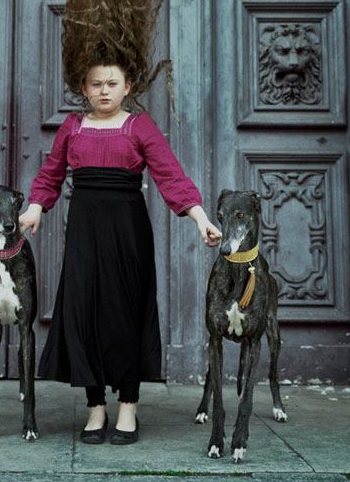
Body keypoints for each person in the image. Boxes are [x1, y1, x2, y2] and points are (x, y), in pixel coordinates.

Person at [18, 61, 221, 445]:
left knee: (126, 314)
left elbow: (170, 175)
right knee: (84, 312)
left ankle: (128, 405)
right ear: (84, 87)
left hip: (128, 232)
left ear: (127, 87)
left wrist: (200, 217)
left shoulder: (139, 126)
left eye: (112, 83)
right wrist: (35, 207)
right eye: (95, 84)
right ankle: (95, 406)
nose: (104, 91)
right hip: (84, 232)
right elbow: (50, 174)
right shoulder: (72, 126)